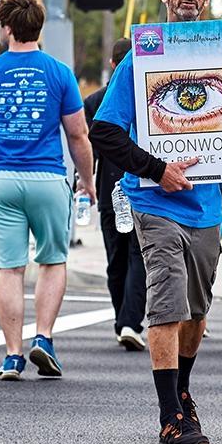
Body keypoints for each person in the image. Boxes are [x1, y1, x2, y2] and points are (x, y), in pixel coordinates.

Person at [89, 0, 222, 444]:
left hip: (207, 209)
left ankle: (183, 393)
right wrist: (157, 170)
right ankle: (170, 416)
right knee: (168, 304)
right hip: (154, 204)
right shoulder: (140, 59)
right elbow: (104, 132)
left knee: (195, 313)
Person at [0, 0, 94, 381]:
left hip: (2, 179)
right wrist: (87, 181)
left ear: (6, 28)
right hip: (48, 179)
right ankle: (44, 339)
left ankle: (12, 356)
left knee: (10, 268)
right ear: (39, 27)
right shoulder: (59, 73)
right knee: (52, 261)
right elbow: (78, 135)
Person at [83, 37, 146, 351]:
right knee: (138, 257)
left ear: (112, 64)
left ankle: (122, 320)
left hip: (108, 189)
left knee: (115, 259)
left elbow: (89, 148)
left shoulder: (94, 101)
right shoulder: (145, 91)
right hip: (140, 186)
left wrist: (84, 183)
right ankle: (130, 321)